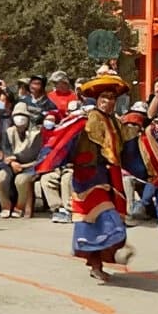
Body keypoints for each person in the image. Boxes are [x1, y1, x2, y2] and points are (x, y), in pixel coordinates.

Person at [53, 74, 137, 283]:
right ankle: (117, 248)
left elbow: (127, 140)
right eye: (105, 98)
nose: (109, 102)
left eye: (112, 98)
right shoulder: (89, 119)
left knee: (102, 219)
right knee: (104, 216)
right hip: (89, 176)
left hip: (110, 175)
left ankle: (96, 264)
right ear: (97, 100)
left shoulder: (115, 122)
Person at [0, 102, 43, 218]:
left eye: (23, 115)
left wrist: (24, 166)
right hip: (12, 164)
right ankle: (5, 205)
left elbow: (39, 155)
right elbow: (6, 149)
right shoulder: (9, 132)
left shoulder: (36, 133)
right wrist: (12, 162)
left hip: (31, 165)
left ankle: (20, 205)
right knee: (0, 179)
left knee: (20, 181)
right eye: (16, 115)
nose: (19, 118)